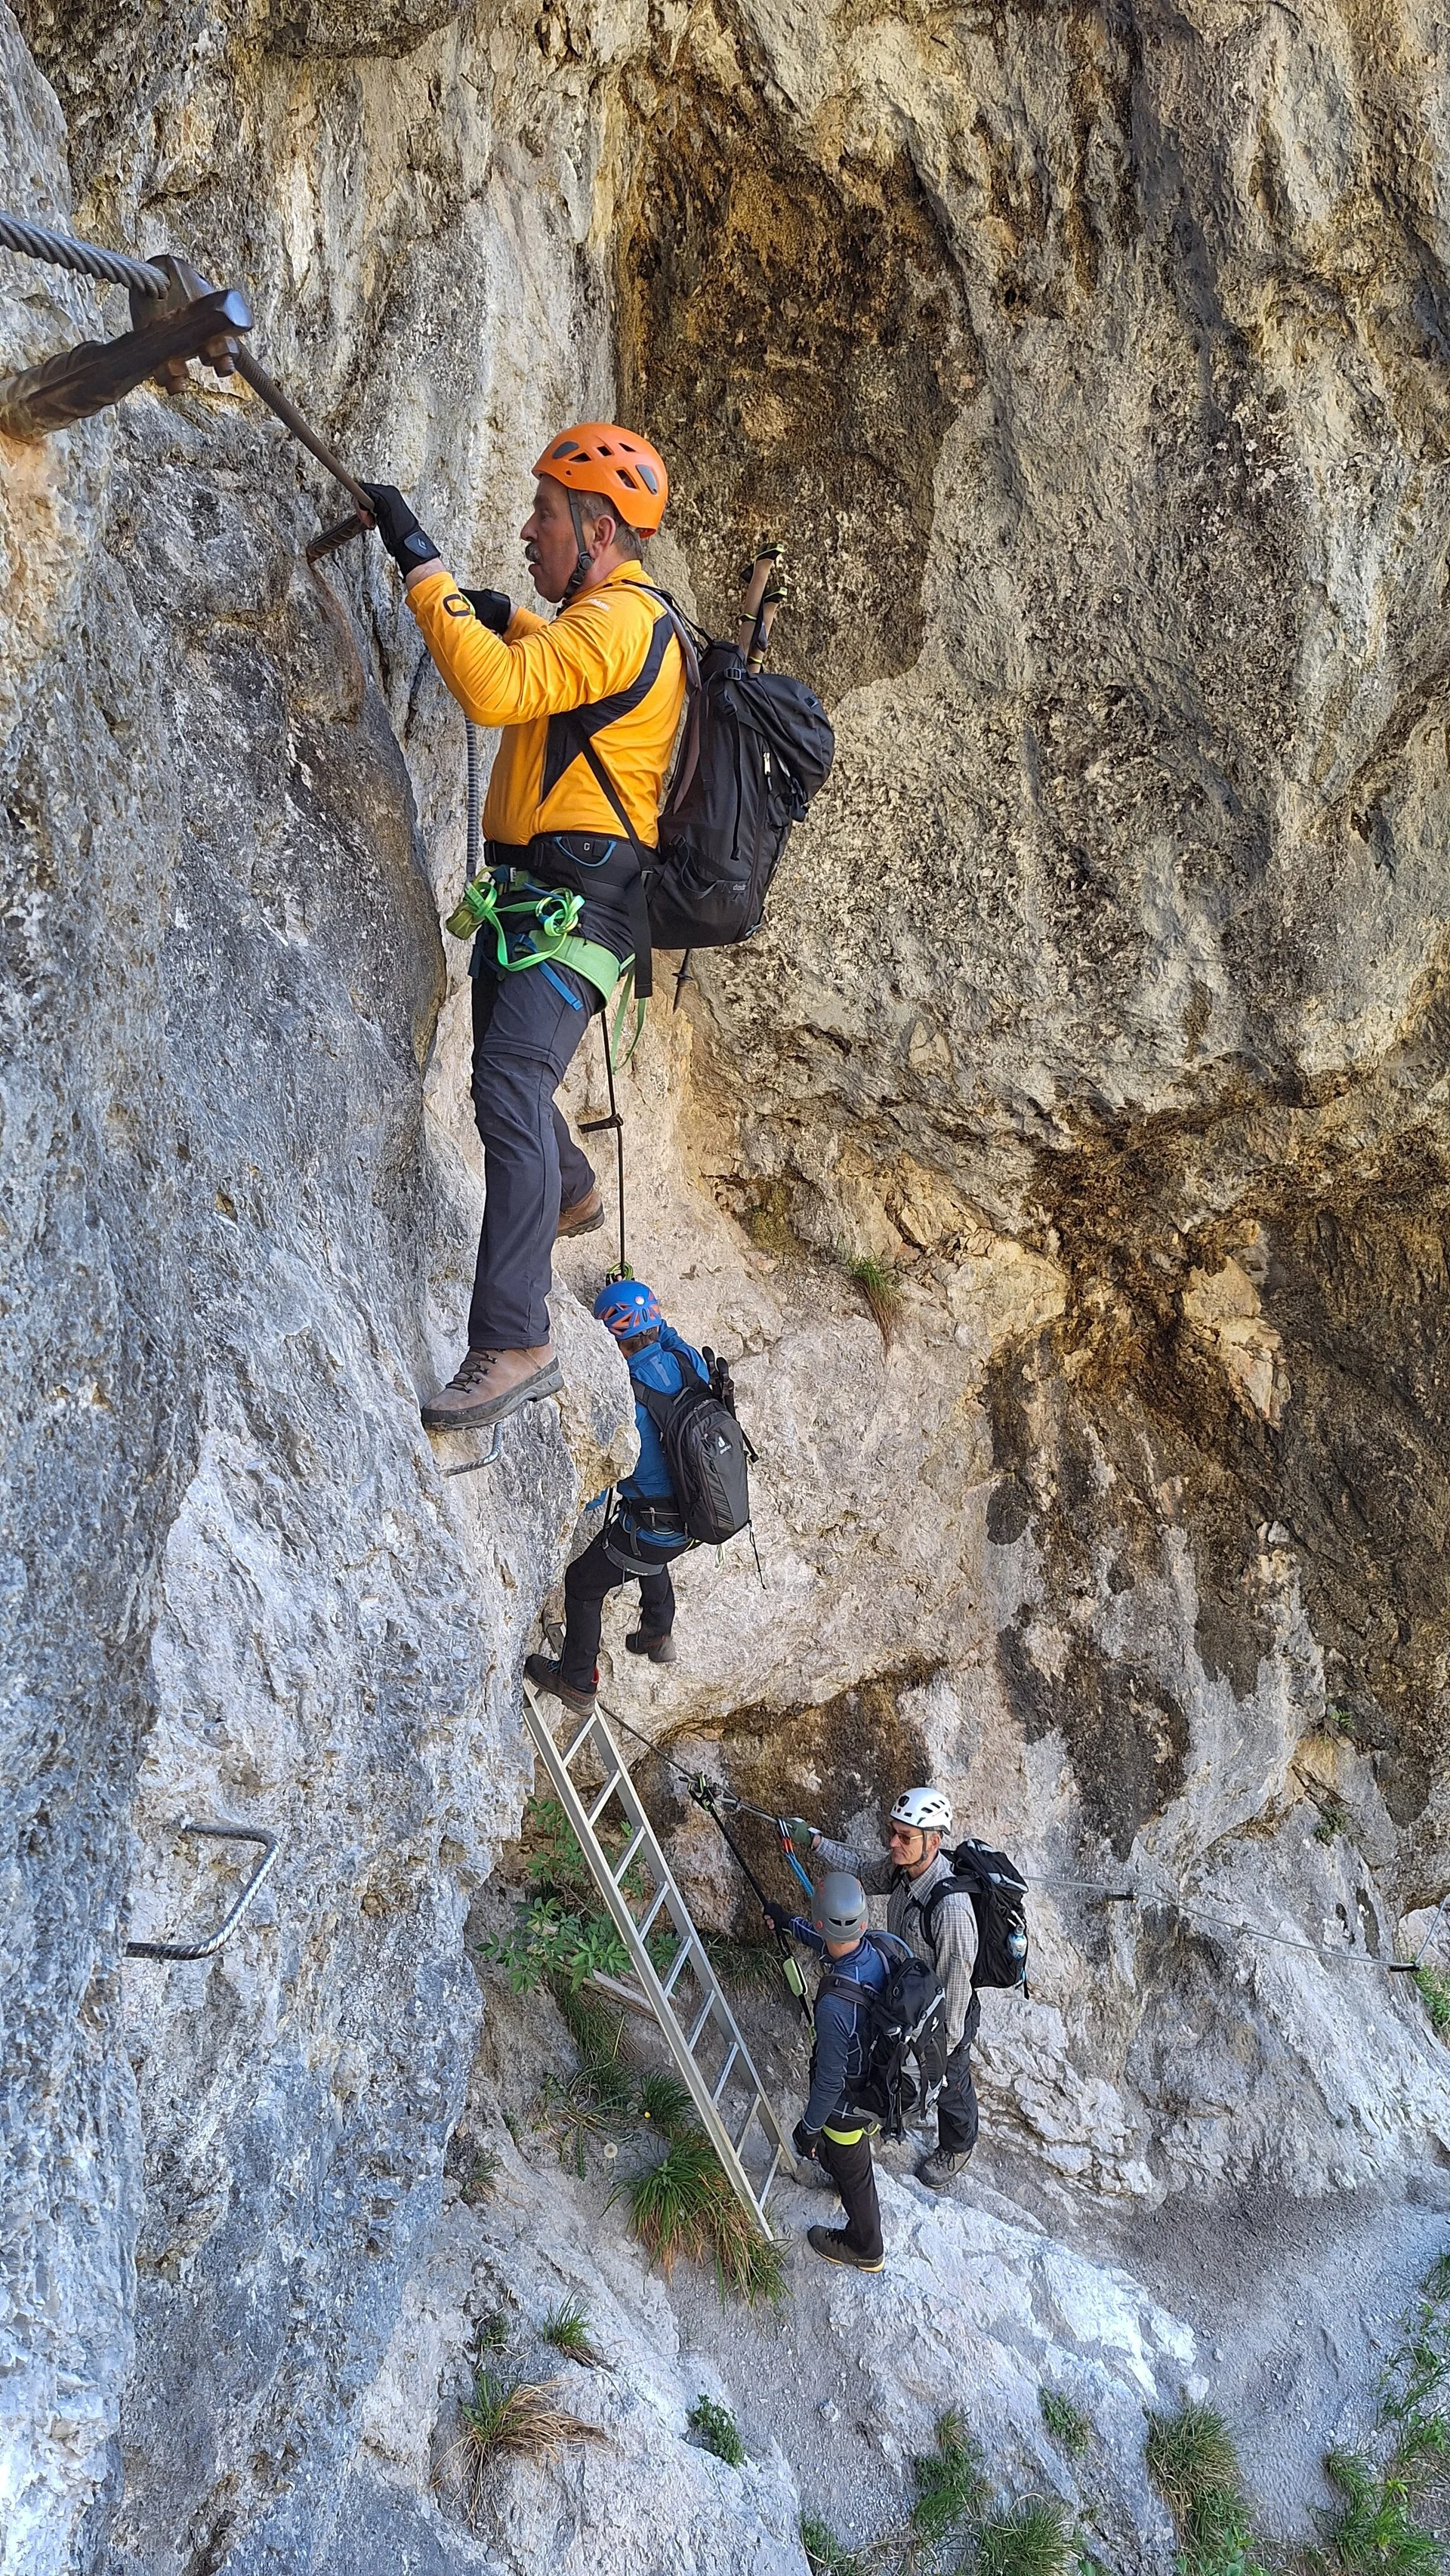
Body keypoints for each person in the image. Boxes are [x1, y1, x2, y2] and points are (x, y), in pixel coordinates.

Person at [359, 427, 686, 1431]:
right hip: (535, 897)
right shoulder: (601, 620)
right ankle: (573, 1187)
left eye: (544, 512)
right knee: (505, 1079)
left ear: (597, 529)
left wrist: (426, 572)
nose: (528, 528)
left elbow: (499, 692)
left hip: (573, 905)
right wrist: (495, 611)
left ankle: (514, 1339)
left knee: (507, 1082)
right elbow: (548, 665)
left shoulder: (623, 621)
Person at [524, 1279, 702, 1718]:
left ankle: (577, 1680)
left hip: (654, 1530)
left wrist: (573, 1509)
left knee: (584, 1584)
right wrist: (640, 1309)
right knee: (644, 1550)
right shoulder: (687, 1359)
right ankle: (658, 1630)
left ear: (611, 1339)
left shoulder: (628, 1402)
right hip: (697, 1515)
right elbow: (667, 1335)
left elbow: (609, 1469)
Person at [800, 1787, 978, 2189]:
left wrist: (936, 2054)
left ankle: (958, 2144)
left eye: (905, 1837)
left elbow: (956, 1985)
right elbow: (862, 1869)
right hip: (906, 1995)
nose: (893, 1843)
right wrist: (816, 1843)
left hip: (941, 2011)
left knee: (950, 2081)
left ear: (933, 1842)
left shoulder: (951, 1912)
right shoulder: (903, 1869)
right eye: (893, 1832)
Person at [771, 1871, 904, 2272]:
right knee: (846, 2159)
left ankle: (867, 2246)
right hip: (883, 2080)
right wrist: (787, 1923)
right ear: (864, 1920)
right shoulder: (883, 1946)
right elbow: (836, 1943)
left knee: (855, 2171)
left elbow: (829, 2081)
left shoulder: (833, 2007)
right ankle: (838, 2170)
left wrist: (808, 2127)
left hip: (848, 2107)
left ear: (819, 1923)